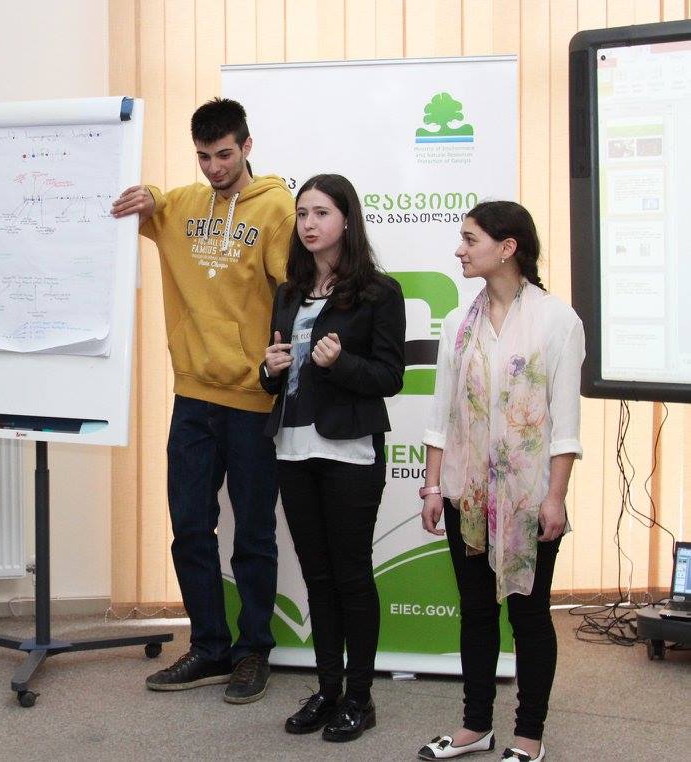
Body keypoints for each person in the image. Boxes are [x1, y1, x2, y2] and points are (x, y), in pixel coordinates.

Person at [111, 98, 295, 704]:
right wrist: (147, 195)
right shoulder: (186, 205)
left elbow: (293, 296)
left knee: (253, 534)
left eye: (223, 155)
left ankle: (253, 650)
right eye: (204, 157)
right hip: (191, 395)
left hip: (250, 399)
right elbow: (152, 206)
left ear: (246, 146)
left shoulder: (276, 209)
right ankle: (210, 647)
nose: (214, 168)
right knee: (190, 527)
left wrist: (274, 369)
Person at [417, 201, 584, 762]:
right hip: (467, 494)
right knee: (477, 612)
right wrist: (433, 486)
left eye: (470, 240)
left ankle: (529, 736)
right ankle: (475, 727)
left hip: (530, 498)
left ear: (507, 247)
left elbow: (565, 425)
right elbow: (441, 414)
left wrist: (555, 497)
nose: (460, 250)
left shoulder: (557, 321)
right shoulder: (457, 324)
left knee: (529, 617)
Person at [258, 174, 405, 742]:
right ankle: (327, 690)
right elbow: (278, 377)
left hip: (348, 451)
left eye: (321, 212)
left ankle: (360, 699)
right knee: (317, 578)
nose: (309, 224)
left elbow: (389, 377)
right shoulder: (289, 292)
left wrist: (339, 362)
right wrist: (269, 370)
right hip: (293, 448)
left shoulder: (378, 293)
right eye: (302, 214)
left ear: (346, 219)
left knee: (351, 575)